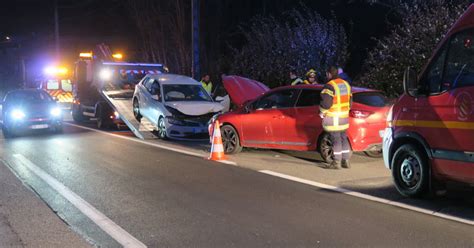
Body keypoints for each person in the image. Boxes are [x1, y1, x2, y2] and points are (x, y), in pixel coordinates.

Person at [319, 66, 352, 169]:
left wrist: (322, 112)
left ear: (329, 74)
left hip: (334, 118)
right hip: (344, 117)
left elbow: (326, 104)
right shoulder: (346, 84)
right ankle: (346, 161)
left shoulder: (329, 86)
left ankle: (336, 162)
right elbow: (350, 102)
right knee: (343, 138)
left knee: (336, 139)